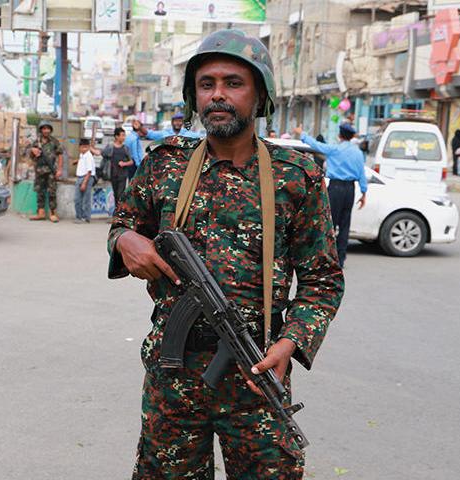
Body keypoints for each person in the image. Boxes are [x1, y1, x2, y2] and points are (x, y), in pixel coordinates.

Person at [108, 29, 344, 479]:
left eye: (233, 83)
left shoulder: (298, 176)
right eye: (207, 84)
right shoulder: (164, 165)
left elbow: (322, 281)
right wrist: (125, 241)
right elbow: (123, 225)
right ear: (194, 95)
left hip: (258, 372)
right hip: (172, 377)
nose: (218, 95)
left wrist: (289, 344)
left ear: (259, 94)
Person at [294, 123, 367, 268]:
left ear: (340, 136)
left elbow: (316, 145)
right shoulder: (358, 153)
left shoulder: (335, 149)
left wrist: (302, 134)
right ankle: (341, 258)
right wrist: (364, 193)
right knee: (345, 224)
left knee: (330, 223)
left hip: (335, 187)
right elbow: (362, 175)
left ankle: (328, 257)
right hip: (350, 190)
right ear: (352, 137)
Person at [29, 121, 64, 222]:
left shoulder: (54, 142)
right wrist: (32, 151)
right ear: (41, 130)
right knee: (40, 192)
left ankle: (53, 213)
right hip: (39, 171)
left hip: (51, 171)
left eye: (48, 128)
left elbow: (60, 155)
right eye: (44, 128)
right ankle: (40, 213)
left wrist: (59, 170)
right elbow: (30, 156)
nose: (46, 130)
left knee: (52, 192)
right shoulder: (36, 142)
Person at [102, 127, 134, 206]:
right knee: (116, 194)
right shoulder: (110, 147)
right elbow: (102, 154)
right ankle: (117, 212)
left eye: (124, 135)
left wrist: (124, 163)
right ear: (116, 136)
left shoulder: (125, 148)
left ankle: (119, 214)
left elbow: (131, 161)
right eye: (122, 135)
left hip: (122, 175)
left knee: (120, 195)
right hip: (113, 175)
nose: (124, 137)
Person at [73, 138, 100, 223]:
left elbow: (89, 171)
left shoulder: (88, 156)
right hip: (80, 177)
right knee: (77, 199)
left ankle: (85, 217)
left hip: (87, 178)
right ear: (79, 147)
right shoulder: (82, 155)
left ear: (88, 147)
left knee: (85, 199)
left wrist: (84, 183)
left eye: (85, 147)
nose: (83, 149)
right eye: (82, 147)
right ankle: (79, 216)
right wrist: (77, 161)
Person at [140, 112, 204, 140]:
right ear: (172, 122)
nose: (178, 123)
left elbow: (202, 137)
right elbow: (149, 134)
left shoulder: (188, 134)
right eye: (176, 121)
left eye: (180, 121)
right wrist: (139, 127)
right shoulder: (164, 133)